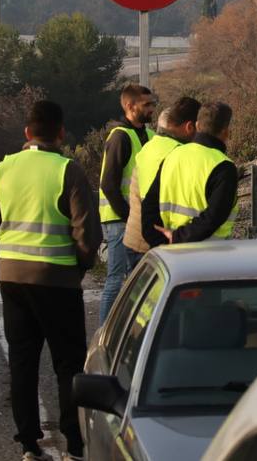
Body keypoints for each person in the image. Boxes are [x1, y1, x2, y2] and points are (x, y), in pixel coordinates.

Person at [0, 100, 100, 461]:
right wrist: (79, 266)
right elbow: (87, 233)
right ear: (61, 132)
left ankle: (30, 444)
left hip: (14, 280)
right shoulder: (68, 170)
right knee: (67, 363)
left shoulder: (2, 170)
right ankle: (74, 444)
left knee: (22, 361)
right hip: (58, 280)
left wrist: (7, 260)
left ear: (27, 133)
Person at [97, 84, 156, 323]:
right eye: (147, 104)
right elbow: (109, 184)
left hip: (137, 220)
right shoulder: (120, 136)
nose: (152, 108)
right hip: (119, 220)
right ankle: (104, 331)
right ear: (130, 106)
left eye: (152, 104)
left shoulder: (150, 137)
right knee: (116, 279)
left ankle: (134, 332)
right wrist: (129, 216)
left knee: (139, 279)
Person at [154, 102, 240, 243]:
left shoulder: (172, 155)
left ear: (197, 126)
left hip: (170, 251)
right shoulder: (224, 166)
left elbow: (149, 204)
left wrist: (161, 239)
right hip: (209, 252)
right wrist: (178, 237)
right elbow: (214, 217)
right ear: (226, 132)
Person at [126, 97, 200, 262]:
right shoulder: (178, 153)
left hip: (136, 238)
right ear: (190, 127)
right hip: (159, 242)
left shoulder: (150, 146)